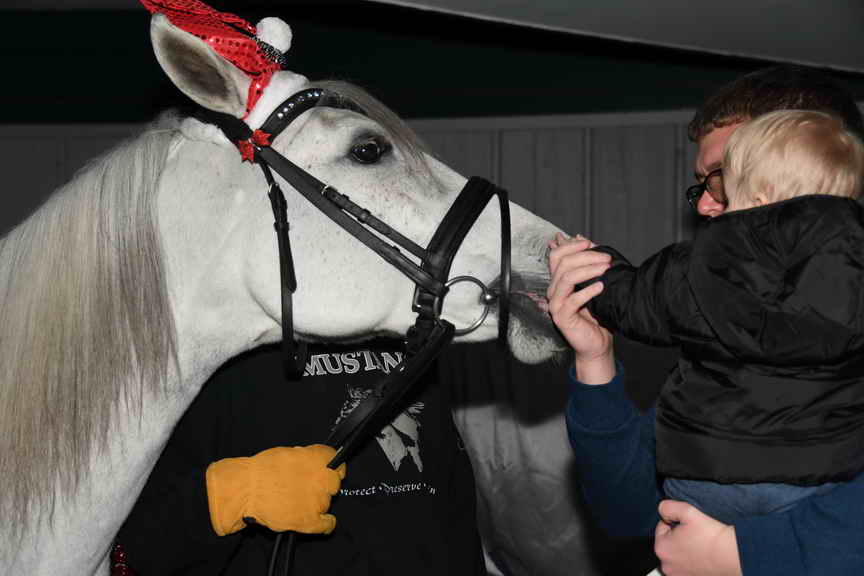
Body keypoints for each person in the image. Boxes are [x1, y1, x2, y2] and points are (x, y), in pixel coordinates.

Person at [547, 65, 864, 576]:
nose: (710, 205)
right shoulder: (721, 328)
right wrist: (596, 361)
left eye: (723, 175)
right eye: (703, 185)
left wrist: (742, 554)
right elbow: (628, 514)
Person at [116, 339, 486, 575]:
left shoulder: (413, 333)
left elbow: (451, 504)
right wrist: (231, 495)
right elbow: (145, 546)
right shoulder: (221, 351)